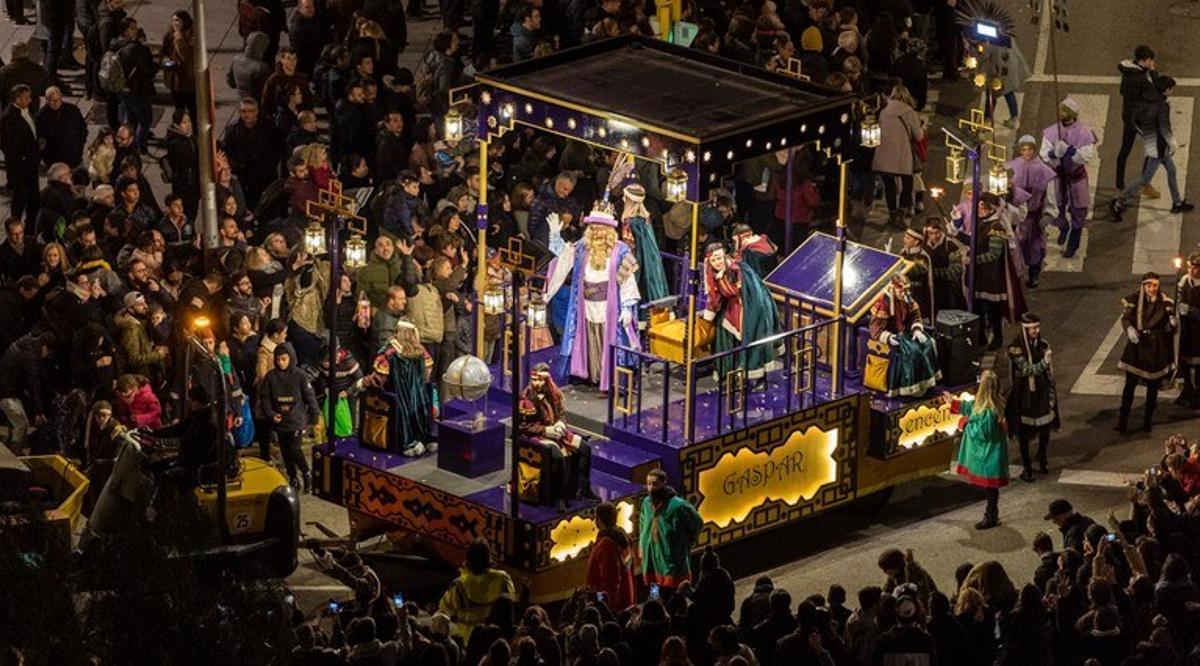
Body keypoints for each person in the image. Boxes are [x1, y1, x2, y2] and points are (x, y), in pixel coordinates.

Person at [544, 204, 641, 391]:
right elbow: (563, 256)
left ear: (609, 231)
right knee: (589, 337)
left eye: (601, 229)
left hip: (610, 305)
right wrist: (555, 235)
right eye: (594, 228)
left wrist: (627, 306)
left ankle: (610, 379)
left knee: (608, 338)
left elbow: (628, 281)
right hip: (585, 304)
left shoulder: (621, 251)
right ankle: (592, 375)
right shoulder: (582, 247)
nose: (597, 233)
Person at [1111, 75, 1195, 218]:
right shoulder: (1162, 106)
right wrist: (1173, 144)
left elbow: (1134, 120)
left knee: (1172, 171)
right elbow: (1165, 128)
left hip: (1152, 143)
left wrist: (1145, 133)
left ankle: (1177, 203)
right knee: (1145, 179)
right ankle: (1119, 200)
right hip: (1159, 148)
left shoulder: (1146, 101)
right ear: (1166, 90)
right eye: (1171, 89)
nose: (1172, 91)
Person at [517, 363, 598, 511]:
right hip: (537, 436)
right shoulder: (525, 399)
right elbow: (523, 426)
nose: (537, 383)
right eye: (534, 380)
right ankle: (560, 497)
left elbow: (561, 414)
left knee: (585, 448)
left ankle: (583, 489)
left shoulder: (554, 394)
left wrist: (561, 424)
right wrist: (545, 430)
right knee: (557, 456)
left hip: (556, 431)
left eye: (540, 380)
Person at [701, 242, 780, 383]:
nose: (717, 263)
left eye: (719, 258)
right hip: (733, 306)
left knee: (753, 336)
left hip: (753, 306)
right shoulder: (713, 275)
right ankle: (730, 372)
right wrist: (708, 316)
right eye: (713, 260)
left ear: (724, 256)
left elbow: (755, 293)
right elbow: (715, 297)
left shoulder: (739, 270)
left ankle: (758, 376)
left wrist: (751, 315)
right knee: (722, 333)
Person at [947, 369, 1008, 530]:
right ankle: (992, 515)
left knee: (991, 489)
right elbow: (971, 407)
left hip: (990, 455)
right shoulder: (988, 405)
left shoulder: (990, 411)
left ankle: (991, 516)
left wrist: (964, 424)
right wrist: (953, 402)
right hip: (991, 453)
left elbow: (981, 432)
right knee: (990, 490)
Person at [1116, 272, 1176, 433]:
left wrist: (1172, 323)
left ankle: (1147, 421)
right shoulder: (1135, 299)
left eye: (1155, 285)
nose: (1152, 288)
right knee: (1129, 386)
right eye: (1149, 285)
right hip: (1137, 346)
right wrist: (1129, 329)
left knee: (1152, 388)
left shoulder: (1165, 302)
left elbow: (1168, 328)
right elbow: (1126, 318)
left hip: (1155, 348)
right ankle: (1123, 421)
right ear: (1143, 286)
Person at [1040, 97, 1098, 258]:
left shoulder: (1084, 133)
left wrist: (1071, 151)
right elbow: (1044, 153)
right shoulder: (1052, 131)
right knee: (1057, 207)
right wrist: (1053, 153)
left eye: (1063, 110)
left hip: (1076, 177)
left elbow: (1086, 156)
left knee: (1079, 209)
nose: (1060, 113)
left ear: (1071, 113)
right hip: (1059, 177)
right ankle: (1063, 227)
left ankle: (1073, 243)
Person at [257, 341, 319, 490]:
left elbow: (310, 396)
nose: (281, 362)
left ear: (291, 357)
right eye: (278, 359)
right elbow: (265, 398)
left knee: (295, 449)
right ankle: (293, 478)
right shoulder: (271, 377)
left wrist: (314, 415)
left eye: (284, 359)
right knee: (285, 452)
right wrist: (271, 414)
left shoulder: (300, 376)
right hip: (280, 421)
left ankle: (306, 473)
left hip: (296, 420)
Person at [868, 274, 939, 397]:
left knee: (928, 343)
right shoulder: (883, 302)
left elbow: (915, 316)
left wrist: (916, 330)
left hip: (906, 332)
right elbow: (875, 328)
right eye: (901, 290)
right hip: (893, 335)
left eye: (906, 290)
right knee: (913, 351)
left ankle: (925, 384)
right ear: (893, 289)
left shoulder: (907, 299)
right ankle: (911, 388)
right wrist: (888, 337)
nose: (904, 293)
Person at [1006, 313, 1058, 482]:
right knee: (1024, 432)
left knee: (1045, 428)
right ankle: (1027, 467)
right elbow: (1027, 369)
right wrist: (1044, 362)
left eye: (1037, 327)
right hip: (1024, 394)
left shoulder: (1042, 344)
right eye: (1032, 328)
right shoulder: (1016, 347)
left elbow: (1048, 373)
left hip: (1041, 392)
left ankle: (1042, 457)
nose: (1035, 331)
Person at [370, 320, 433, 457]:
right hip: (418, 394)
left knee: (402, 415)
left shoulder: (388, 352)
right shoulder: (420, 350)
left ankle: (408, 443)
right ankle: (424, 439)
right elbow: (428, 373)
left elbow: (380, 378)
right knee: (419, 412)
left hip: (397, 396)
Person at [638, 468, 703, 596]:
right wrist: (642, 544)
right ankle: (656, 604)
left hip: (670, 555)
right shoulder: (646, 503)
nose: (650, 488)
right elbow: (642, 523)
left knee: (673, 592)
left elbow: (697, 523)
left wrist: (687, 542)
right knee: (654, 589)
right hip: (651, 554)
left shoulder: (678, 506)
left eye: (654, 484)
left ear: (664, 483)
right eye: (648, 484)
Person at [438, 538, 516, 644]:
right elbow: (511, 606)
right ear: (488, 557)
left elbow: (444, 612)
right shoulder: (503, 579)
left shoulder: (459, 585)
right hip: (496, 642)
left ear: (468, 559)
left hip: (468, 643)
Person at [1007, 135, 1059, 288]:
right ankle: (1016, 275)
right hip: (1015, 215)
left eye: (1030, 149)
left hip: (1033, 217)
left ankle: (1034, 274)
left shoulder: (1043, 170)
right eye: (1024, 149)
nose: (1027, 152)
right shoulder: (1012, 166)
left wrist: (1048, 213)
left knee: (1035, 247)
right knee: (1015, 246)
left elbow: (1050, 194)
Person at [1115, 46, 1158, 195]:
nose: (1152, 63)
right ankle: (1145, 183)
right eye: (1150, 61)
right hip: (1138, 118)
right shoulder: (1139, 78)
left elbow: (1122, 91)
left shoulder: (1128, 72)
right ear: (1143, 61)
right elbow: (1156, 90)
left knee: (1125, 149)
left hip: (1129, 115)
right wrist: (1153, 72)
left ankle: (1119, 185)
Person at [619, 183, 668, 306]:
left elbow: (636, 249)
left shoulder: (635, 223)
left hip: (635, 264)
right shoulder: (643, 220)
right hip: (639, 262)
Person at [585, 501, 635, 612]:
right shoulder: (623, 537)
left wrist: (605, 606)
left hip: (612, 606)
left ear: (599, 520)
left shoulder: (606, 544)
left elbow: (610, 579)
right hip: (625, 599)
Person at [2, 84, 42, 224]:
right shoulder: (9, 118)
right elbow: (7, 145)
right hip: (20, 167)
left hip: (31, 163)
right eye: (26, 98)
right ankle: (15, 225)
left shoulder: (27, 110)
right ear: (17, 99)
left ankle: (31, 224)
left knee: (33, 197)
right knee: (20, 198)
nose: (30, 100)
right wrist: (23, 157)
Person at [35, 86, 87, 168]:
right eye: (50, 100)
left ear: (60, 97)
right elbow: (39, 139)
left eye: (56, 100)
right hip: (54, 160)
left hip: (74, 157)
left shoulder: (73, 110)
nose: (53, 103)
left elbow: (82, 129)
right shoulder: (41, 116)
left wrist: (79, 147)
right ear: (46, 100)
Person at [1176, 253, 1200, 409]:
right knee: (1184, 361)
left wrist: (1190, 311)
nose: (1191, 271)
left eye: (1195, 268)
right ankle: (1187, 390)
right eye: (1189, 267)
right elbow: (1178, 299)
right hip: (1186, 330)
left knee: (1198, 366)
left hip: (1199, 332)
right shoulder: (1185, 280)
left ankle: (1198, 395)